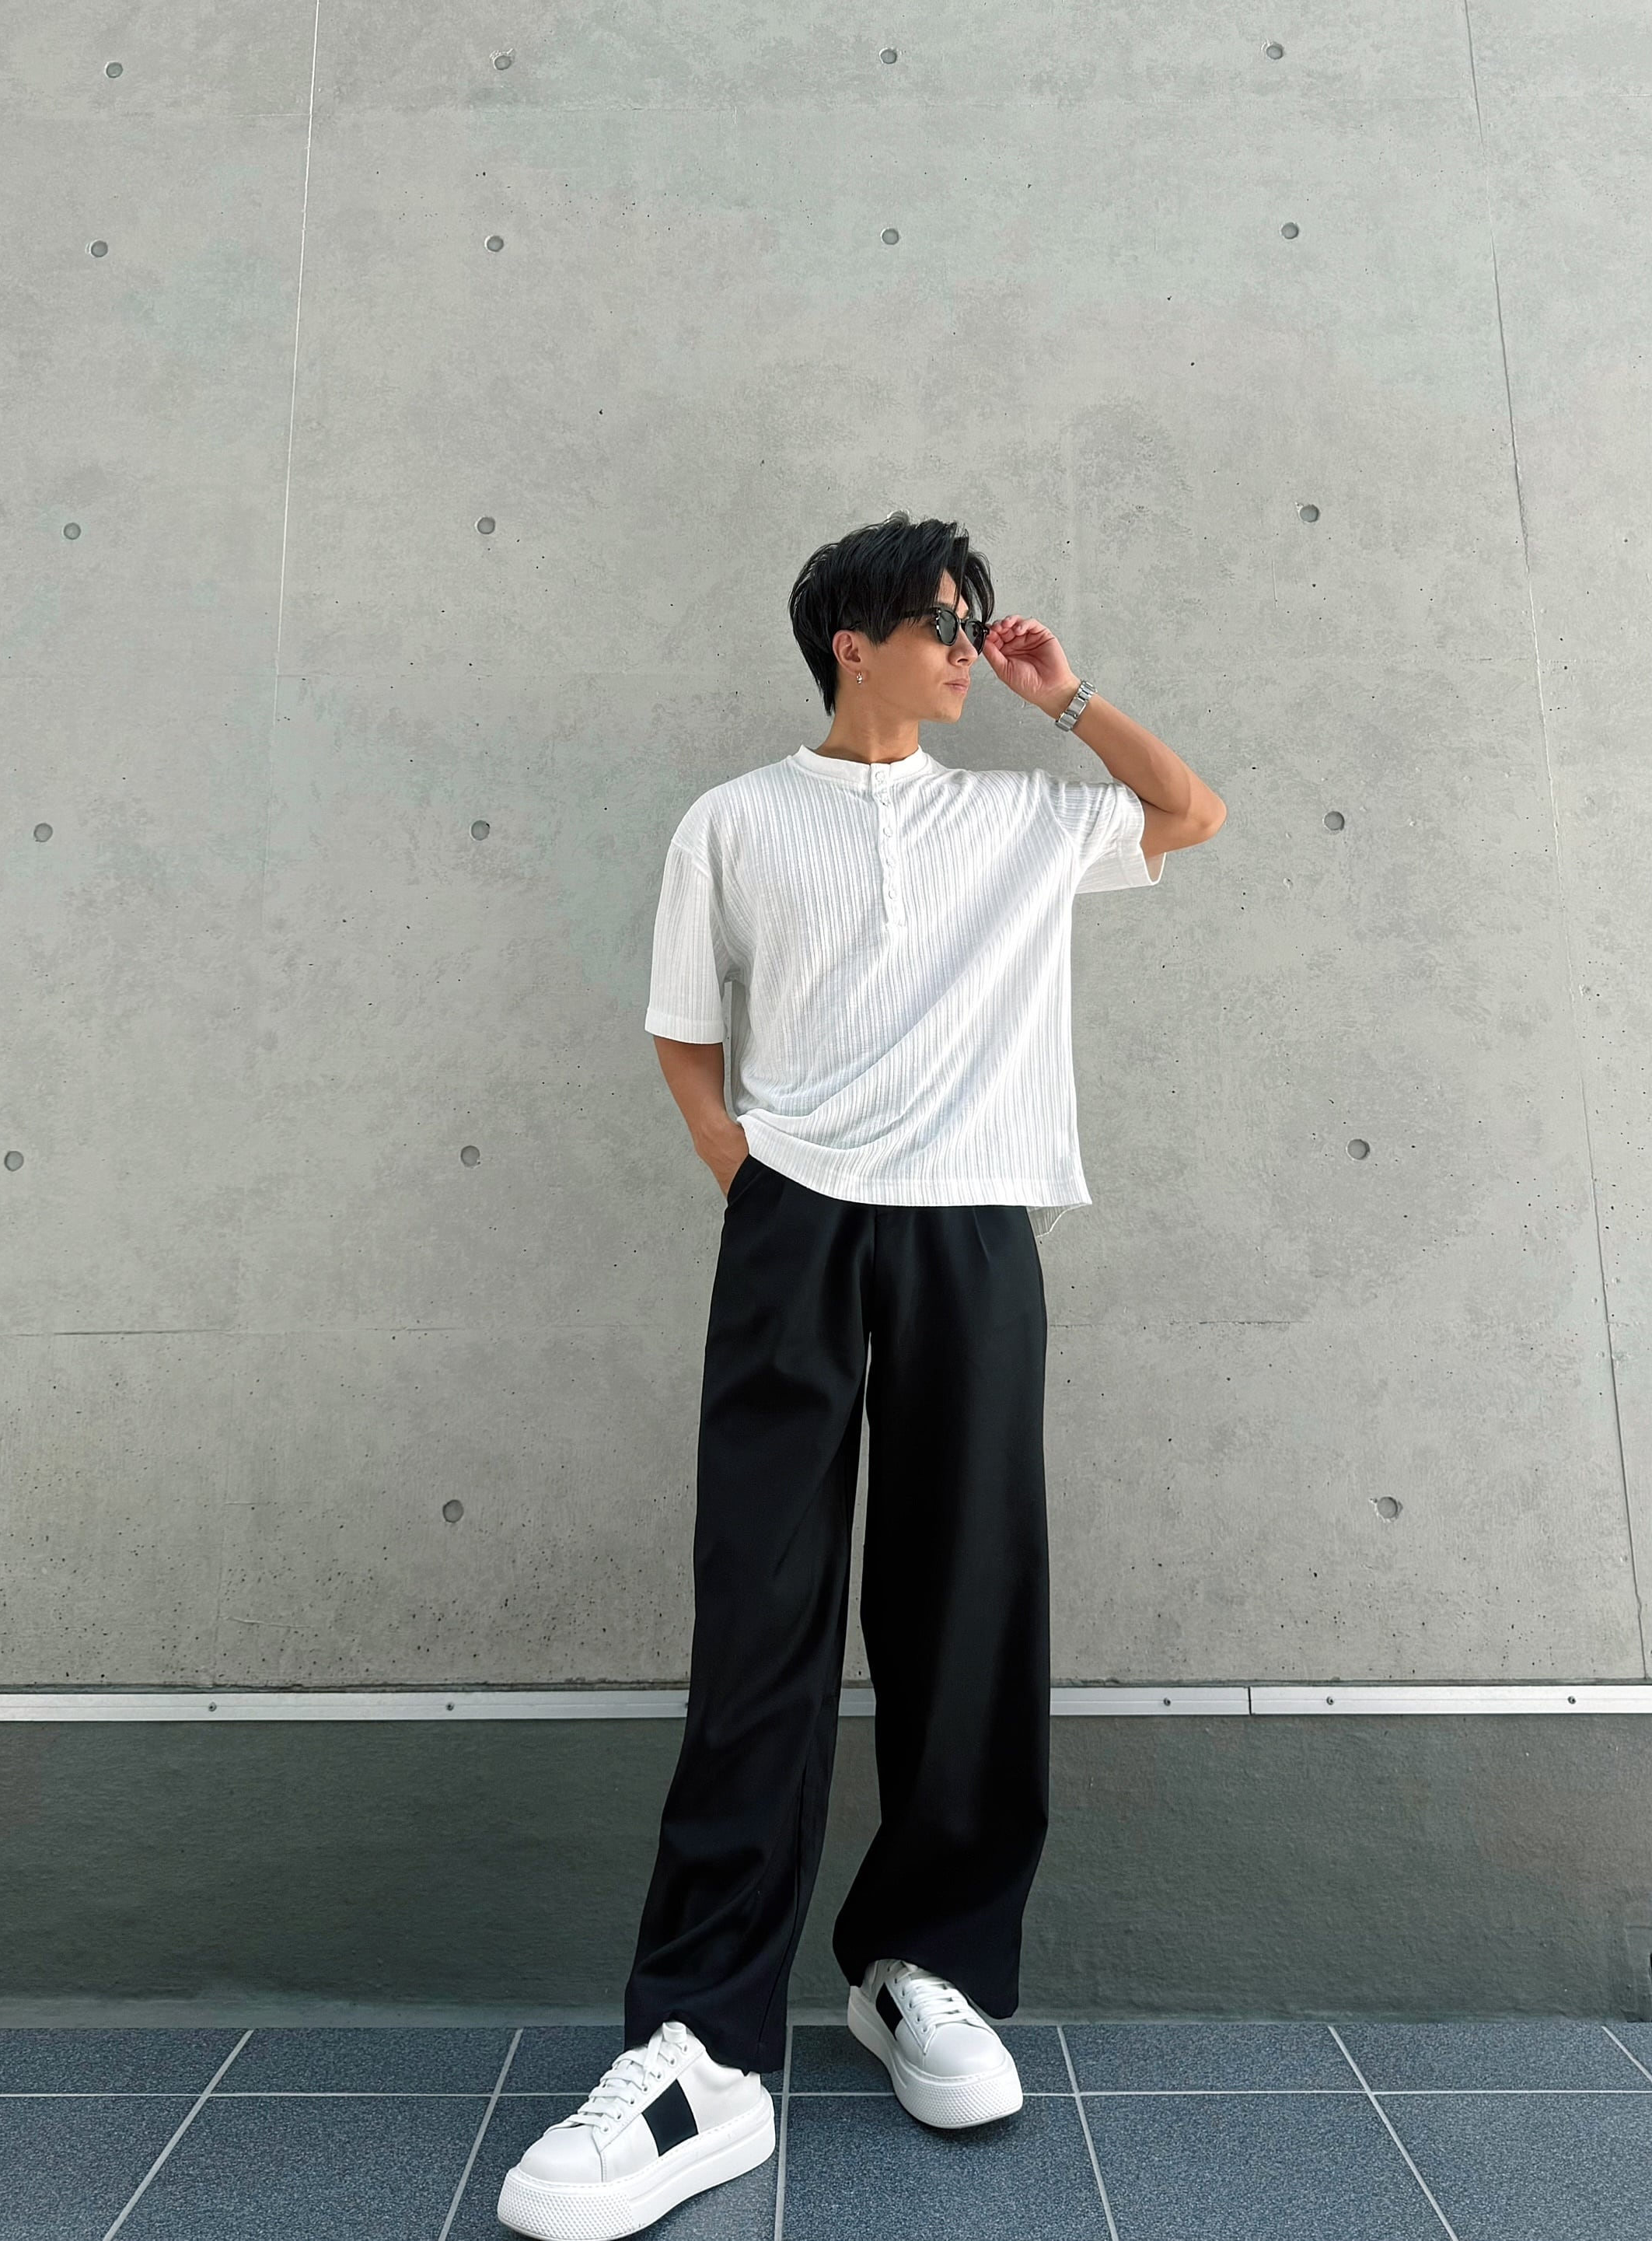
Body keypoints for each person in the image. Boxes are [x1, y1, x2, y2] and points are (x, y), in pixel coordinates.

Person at [496, 512, 1226, 2239]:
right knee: (761, 1606)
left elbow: (1190, 814)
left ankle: (922, 1961)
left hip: (976, 1221)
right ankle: (703, 2043)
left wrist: (1068, 697)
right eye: (947, 623)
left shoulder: (1020, 817)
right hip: (800, 1221)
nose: (972, 645)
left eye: (980, 622)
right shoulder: (737, 819)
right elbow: (684, 1026)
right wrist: (742, 1170)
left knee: (968, 1597)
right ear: (852, 638)